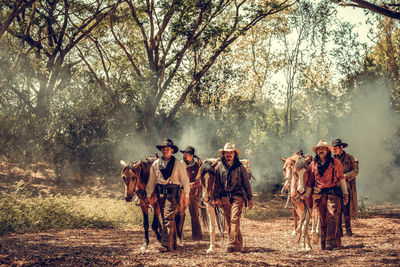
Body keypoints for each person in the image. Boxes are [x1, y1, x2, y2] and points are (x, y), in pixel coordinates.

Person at [146, 139, 190, 252]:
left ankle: (165, 244)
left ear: (172, 150)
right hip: (160, 194)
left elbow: (185, 180)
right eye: (163, 149)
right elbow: (152, 180)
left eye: (168, 149)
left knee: (167, 218)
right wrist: (148, 194)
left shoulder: (178, 163)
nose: (165, 150)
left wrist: (186, 196)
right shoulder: (156, 164)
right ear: (161, 150)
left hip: (173, 194)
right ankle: (173, 245)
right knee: (168, 219)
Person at [307, 140, 349, 250]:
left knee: (332, 215)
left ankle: (330, 242)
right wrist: (309, 194)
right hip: (320, 195)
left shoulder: (336, 163)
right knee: (322, 218)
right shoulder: (313, 165)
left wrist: (345, 193)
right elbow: (310, 182)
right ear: (316, 151)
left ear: (327, 150)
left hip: (333, 193)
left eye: (323, 149)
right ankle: (324, 242)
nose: (321, 151)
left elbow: (341, 179)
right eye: (319, 149)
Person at [212, 142, 253, 253]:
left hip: (237, 197)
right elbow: (217, 184)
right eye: (226, 153)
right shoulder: (219, 167)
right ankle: (238, 244)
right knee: (229, 221)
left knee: (234, 219)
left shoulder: (240, 167)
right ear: (223, 154)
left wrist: (250, 198)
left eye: (231, 152)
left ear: (234, 154)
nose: (228, 155)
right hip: (224, 197)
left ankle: (232, 244)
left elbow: (246, 183)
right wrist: (216, 197)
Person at [332, 138, 359, 236]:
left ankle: (348, 229)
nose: (334, 149)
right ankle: (339, 230)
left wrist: (345, 176)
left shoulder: (350, 158)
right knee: (336, 209)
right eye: (333, 148)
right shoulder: (331, 159)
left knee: (346, 209)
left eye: (336, 147)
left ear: (341, 147)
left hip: (347, 187)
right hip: (335, 188)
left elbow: (356, 171)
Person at [179, 145, 202, 241]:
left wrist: (192, 184)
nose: (184, 156)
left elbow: (199, 180)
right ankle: (179, 235)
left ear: (192, 156)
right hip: (181, 193)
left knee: (194, 214)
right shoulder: (180, 165)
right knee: (180, 214)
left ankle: (197, 236)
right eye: (184, 154)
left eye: (187, 154)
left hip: (193, 193)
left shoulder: (197, 166)